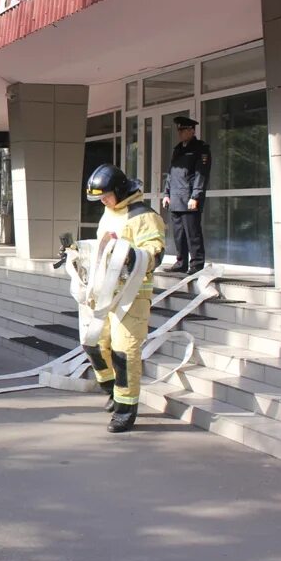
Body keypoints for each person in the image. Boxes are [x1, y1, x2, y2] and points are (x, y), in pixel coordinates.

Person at [84, 164, 166, 432]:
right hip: (105, 293)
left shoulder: (144, 216)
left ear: (119, 190)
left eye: (106, 196)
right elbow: (101, 248)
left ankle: (125, 409)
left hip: (132, 297)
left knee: (124, 352)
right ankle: (112, 390)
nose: (103, 202)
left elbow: (154, 253)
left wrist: (133, 256)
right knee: (94, 344)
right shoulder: (110, 212)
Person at [162, 116, 211, 273]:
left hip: (189, 198)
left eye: (183, 130)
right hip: (176, 197)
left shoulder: (200, 148)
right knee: (179, 234)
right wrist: (166, 193)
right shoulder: (178, 149)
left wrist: (195, 196)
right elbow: (171, 173)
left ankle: (196, 264)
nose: (180, 133)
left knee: (192, 233)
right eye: (179, 130)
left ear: (191, 130)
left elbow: (201, 174)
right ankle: (180, 262)